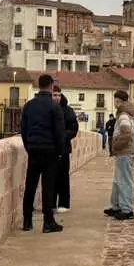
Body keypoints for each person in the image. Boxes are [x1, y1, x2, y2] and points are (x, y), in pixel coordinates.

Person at [20, 74, 65, 233]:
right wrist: (60, 152)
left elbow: (23, 131)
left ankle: (27, 221)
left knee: (30, 185)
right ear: (51, 86)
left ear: (39, 86)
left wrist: (29, 147)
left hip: (33, 150)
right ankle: (48, 222)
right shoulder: (55, 107)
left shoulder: (29, 106)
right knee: (48, 186)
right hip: (50, 151)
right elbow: (60, 133)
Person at [104, 90, 134, 220]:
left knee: (124, 180)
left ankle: (127, 210)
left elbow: (127, 133)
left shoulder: (123, 115)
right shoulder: (126, 114)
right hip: (124, 152)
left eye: (116, 101)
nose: (115, 103)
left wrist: (116, 145)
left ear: (119, 101)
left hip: (124, 152)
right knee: (118, 180)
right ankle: (116, 206)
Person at [52, 85, 79, 213]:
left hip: (63, 148)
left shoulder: (68, 111)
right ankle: (50, 203)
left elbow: (73, 130)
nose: (56, 97)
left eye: (58, 95)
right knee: (50, 177)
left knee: (63, 176)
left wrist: (62, 136)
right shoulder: (48, 109)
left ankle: (63, 204)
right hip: (50, 149)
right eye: (54, 95)